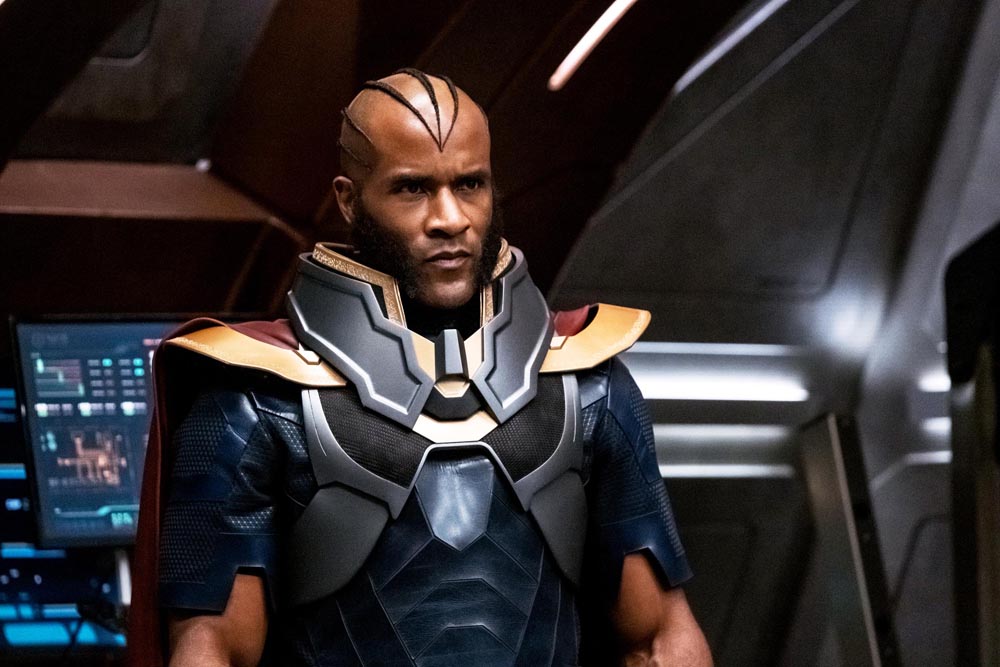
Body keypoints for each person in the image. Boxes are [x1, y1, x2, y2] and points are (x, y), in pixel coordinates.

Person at [127, 69, 712, 666]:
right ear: (349, 200)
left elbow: (659, 638)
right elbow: (212, 650)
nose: (450, 218)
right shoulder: (256, 399)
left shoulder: (587, 385)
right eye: (412, 188)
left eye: (470, 184)